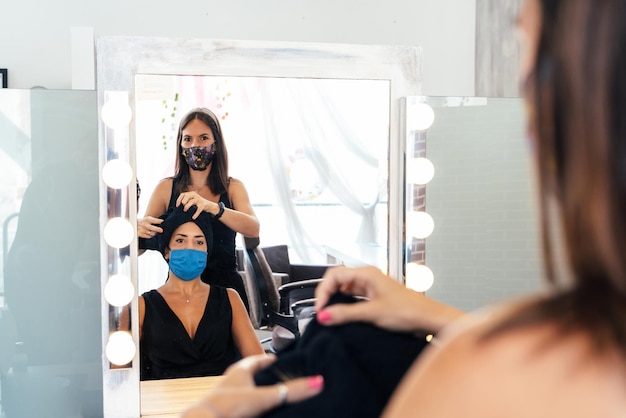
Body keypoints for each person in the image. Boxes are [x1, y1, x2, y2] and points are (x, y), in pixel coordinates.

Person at [183, 0, 626, 416]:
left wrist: (209, 412)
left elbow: (252, 227)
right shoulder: (546, 361)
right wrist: (443, 319)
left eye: (529, 46)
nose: (523, 82)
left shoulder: (486, 372)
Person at [138, 107, 260, 309]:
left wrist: (213, 208)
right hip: (179, 292)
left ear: (216, 143)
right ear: (180, 144)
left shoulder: (233, 188)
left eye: (203, 138)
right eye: (188, 139)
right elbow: (143, 245)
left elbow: (253, 228)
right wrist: (135, 230)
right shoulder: (165, 188)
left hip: (226, 293)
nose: (195, 145)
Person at [139, 205, 264, 380]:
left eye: (199, 242)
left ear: (206, 252)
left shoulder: (230, 298)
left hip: (219, 401)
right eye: (181, 241)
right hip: (161, 402)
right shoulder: (143, 305)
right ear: (167, 251)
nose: (190, 248)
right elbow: (121, 373)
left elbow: (258, 361)